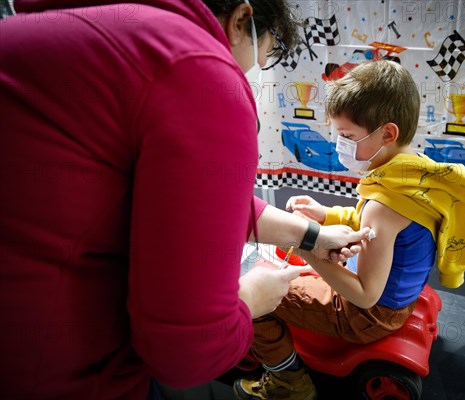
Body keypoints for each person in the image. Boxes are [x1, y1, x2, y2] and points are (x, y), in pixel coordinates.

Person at [0, 0, 369, 398]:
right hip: (57, 368)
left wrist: (312, 235)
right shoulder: (196, 68)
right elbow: (186, 352)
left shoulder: (63, 35)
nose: (251, 69)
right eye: (265, 50)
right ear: (243, 18)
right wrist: (251, 299)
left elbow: (200, 202)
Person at [233, 60, 465, 400]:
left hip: (366, 315)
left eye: (347, 136)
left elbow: (365, 294)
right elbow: (362, 218)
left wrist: (309, 248)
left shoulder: (386, 205)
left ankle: (289, 382)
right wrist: (326, 214)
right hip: (397, 298)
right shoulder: (414, 175)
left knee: (257, 304)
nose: (340, 144)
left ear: (388, 133)